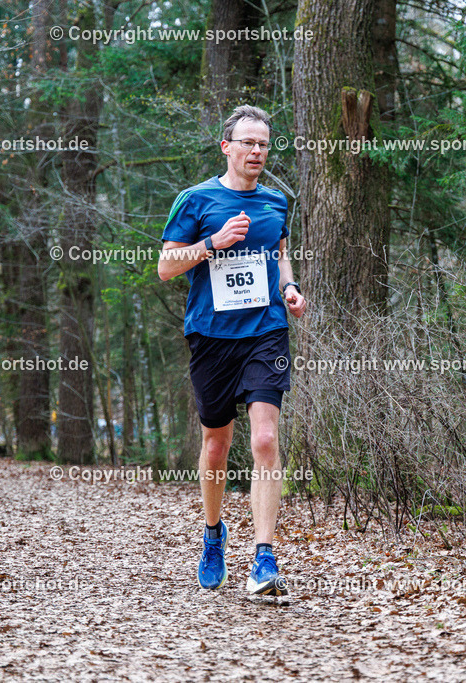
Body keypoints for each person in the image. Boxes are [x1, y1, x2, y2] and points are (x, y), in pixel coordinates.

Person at [158, 105, 307, 596]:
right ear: (227, 147)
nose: (257, 151)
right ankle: (213, 534)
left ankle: (265, 557)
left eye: (263, 144)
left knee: (265, 439)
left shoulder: (277, 202)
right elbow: (165, 266)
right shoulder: (195, 200)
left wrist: (289, 288)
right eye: (247, 142)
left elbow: (280, 257)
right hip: (211, 336)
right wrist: (211, 243)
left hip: (266, 331)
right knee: (216, 445)